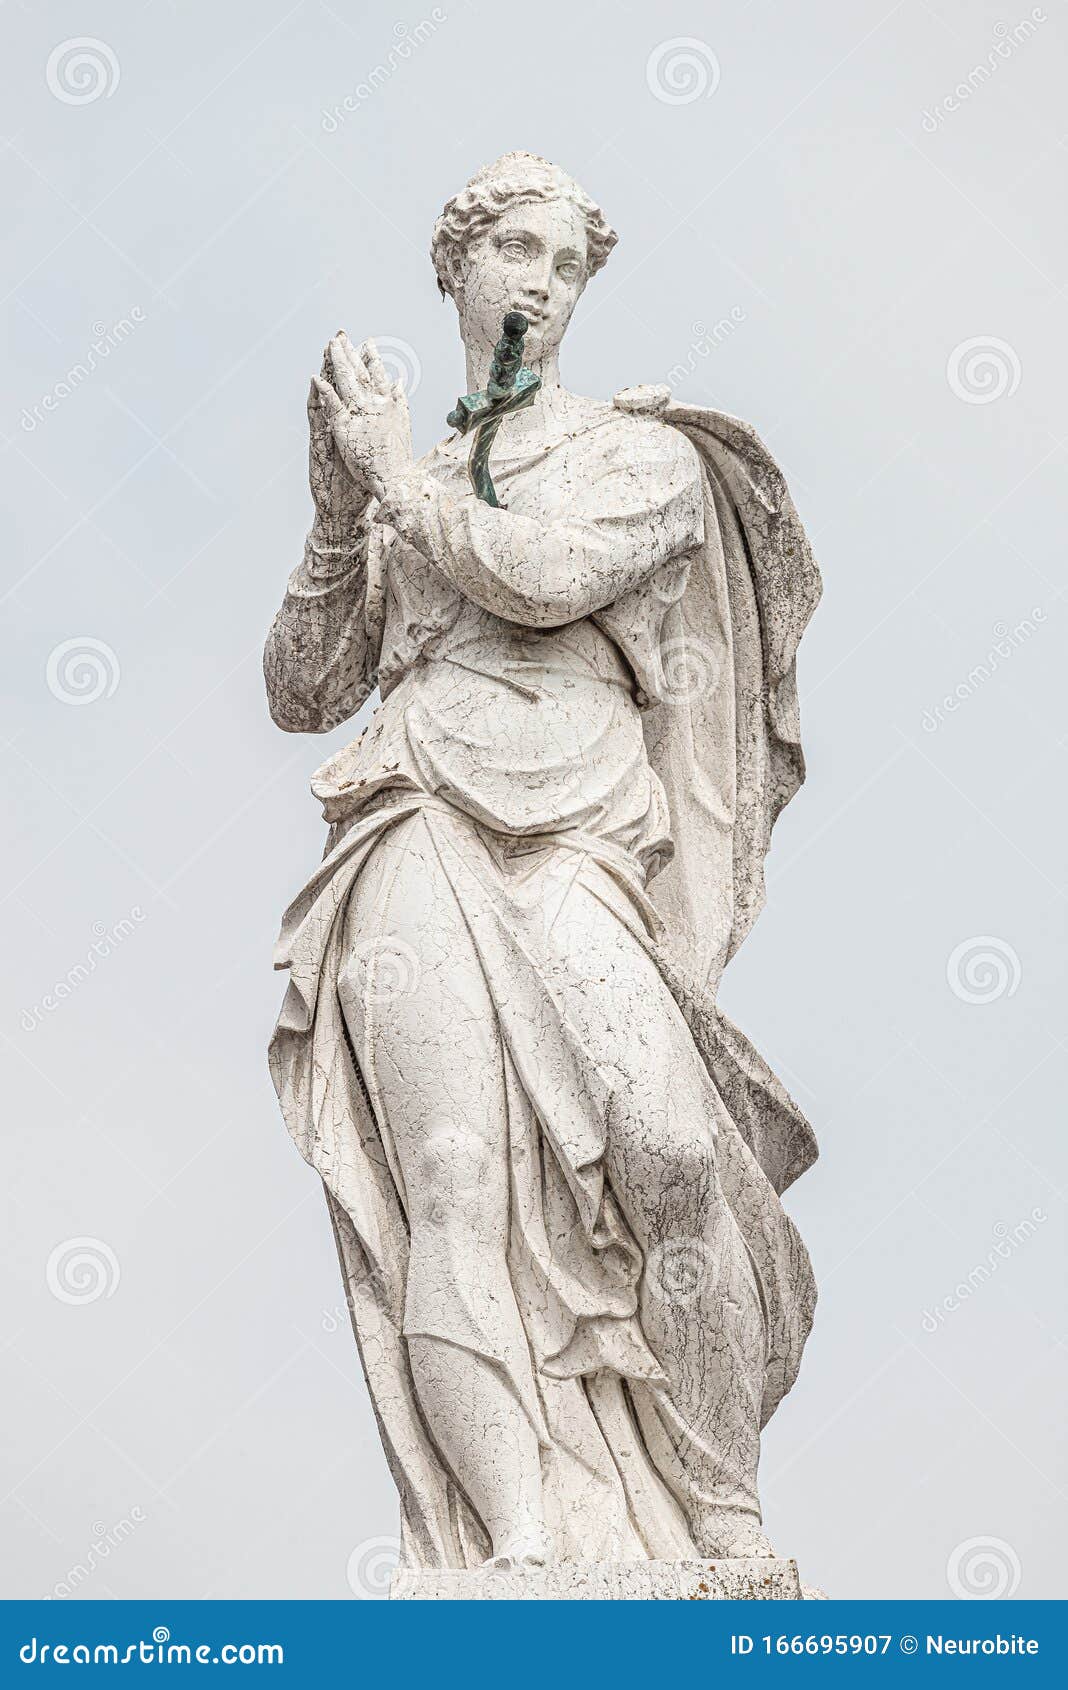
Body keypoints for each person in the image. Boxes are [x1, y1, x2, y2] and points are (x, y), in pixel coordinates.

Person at [265, 152, 822, 1571]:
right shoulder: (408, 477)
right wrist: (340, 513)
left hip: (579, 835)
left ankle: (720, 1504)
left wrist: (394, 482)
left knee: (670, 1150)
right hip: (416, 822)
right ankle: (512, 1544)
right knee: (449, 1176)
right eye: (514, 249)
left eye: (566, 264)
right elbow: (303, 684)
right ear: (455, 267)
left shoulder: (642, 456)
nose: (540, 282)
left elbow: (548, 579)